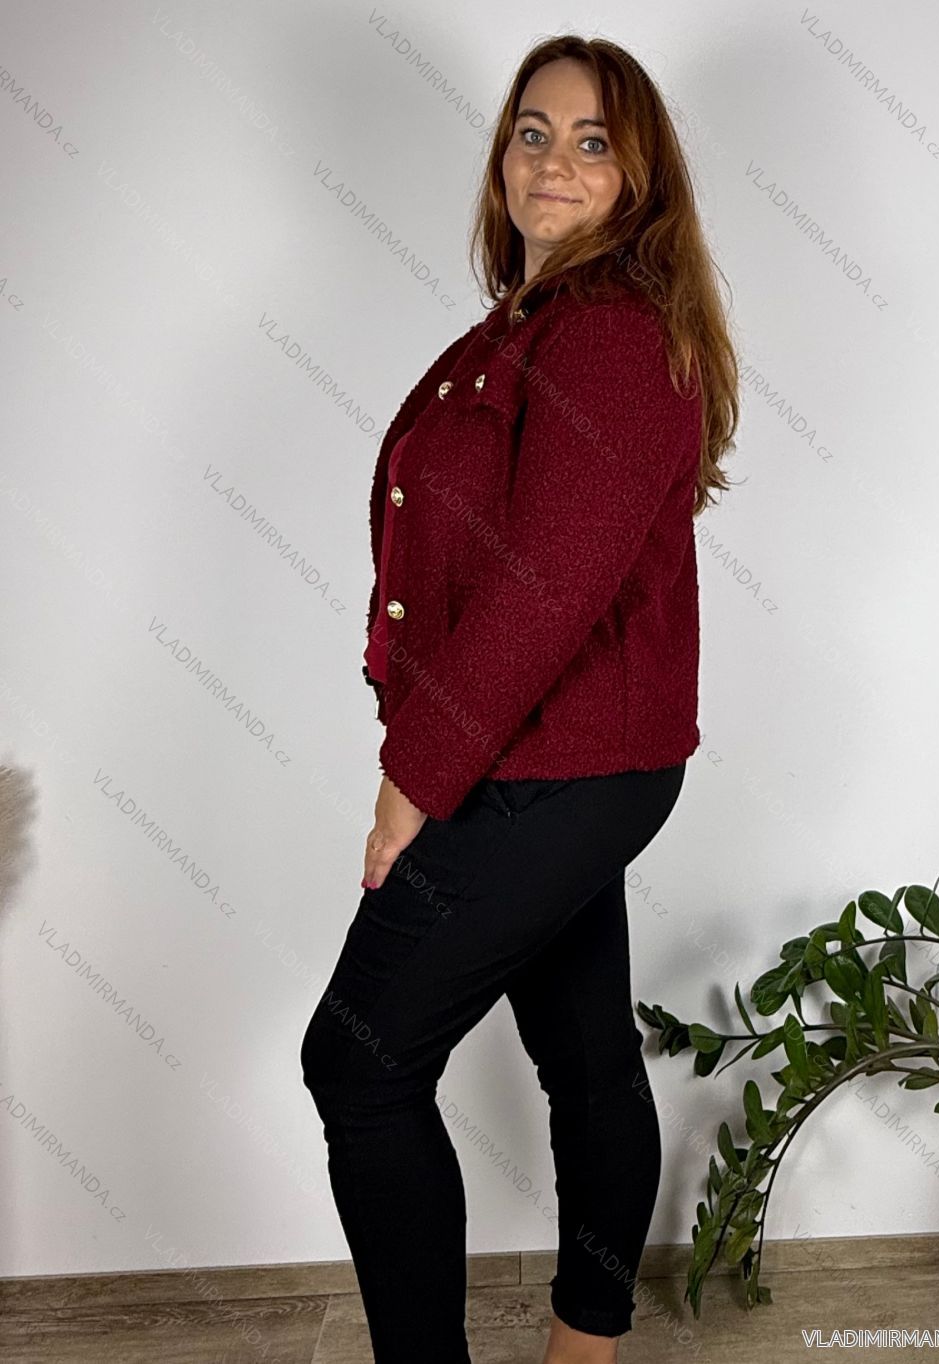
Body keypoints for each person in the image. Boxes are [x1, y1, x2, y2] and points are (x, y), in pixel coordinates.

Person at [301, 32, 738, 1364]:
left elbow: (541, 590)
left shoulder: (606, 335)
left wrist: (412, 778)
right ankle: (585, 1347)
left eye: (593, 141)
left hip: (557, 769)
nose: (553, 161)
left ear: (640, 178)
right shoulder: (535, 324)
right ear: (501, 158)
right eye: (532, 132)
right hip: (547, 758)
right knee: (586, 1056)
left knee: (360, 1062)